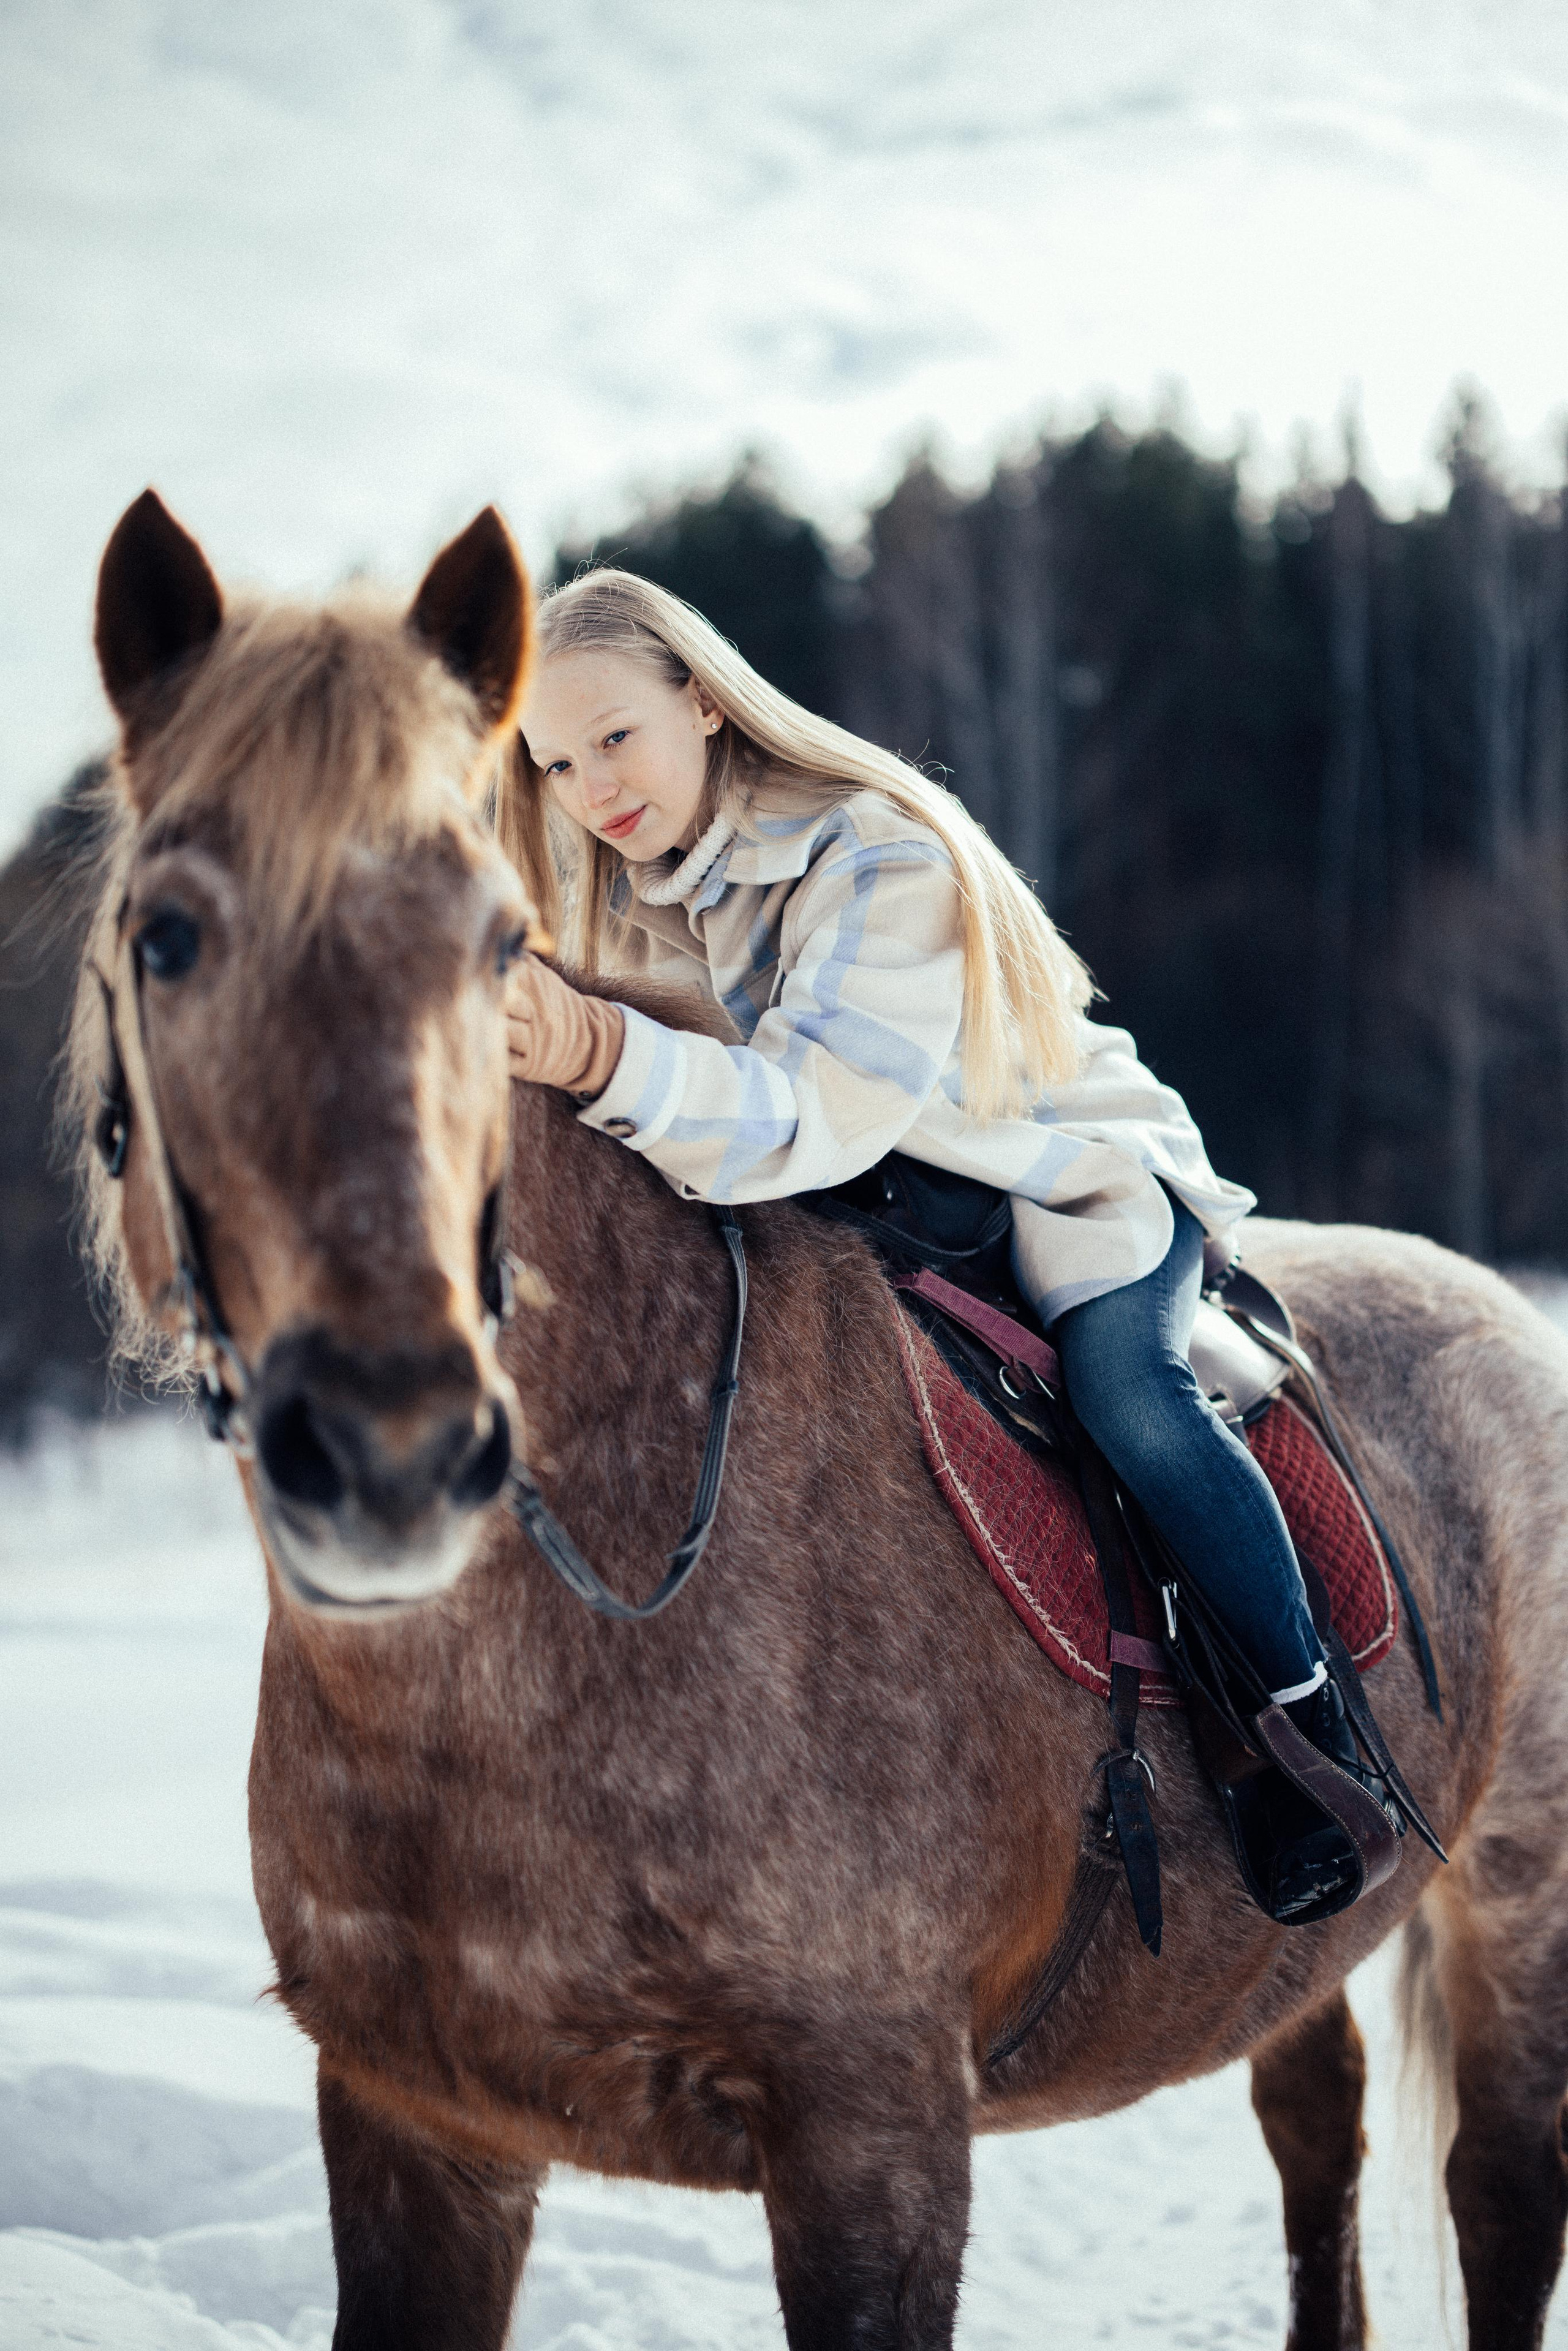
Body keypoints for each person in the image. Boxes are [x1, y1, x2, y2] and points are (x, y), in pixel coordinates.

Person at [498, 567, 1368, 1903]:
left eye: (614, 735)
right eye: (556, 761)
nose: (592, 786)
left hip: (1051, 1182)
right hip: (869, 1214)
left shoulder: (874, 851)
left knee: (1128, 1397)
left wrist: (602, 1050)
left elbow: (818, 1111)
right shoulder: (625, 897)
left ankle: (1300, 1724)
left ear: (705, 700)